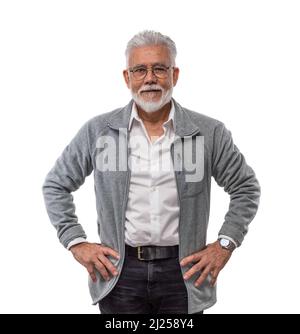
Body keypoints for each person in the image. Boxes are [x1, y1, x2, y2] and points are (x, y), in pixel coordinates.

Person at [42, 30, 260, 314]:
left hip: (184, 273)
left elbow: (245, 188)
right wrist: (75, 241)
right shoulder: (99, 131)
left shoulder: (208, 132)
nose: (150, 78)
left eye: (160, 68)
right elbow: (56, 184)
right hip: (119, 273)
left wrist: (225, 244)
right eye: (140, 70)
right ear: (127, 77)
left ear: (175, 74)